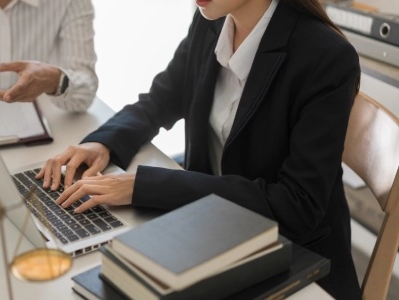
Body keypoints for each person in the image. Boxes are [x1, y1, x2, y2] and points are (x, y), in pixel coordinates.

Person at [38, 0, 361, 298]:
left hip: (290, 259)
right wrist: (104, 142)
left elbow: (297, 205)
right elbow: (161, 100)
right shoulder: (212, 21)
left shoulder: (326, 56)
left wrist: (145, 185)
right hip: (210, 232)